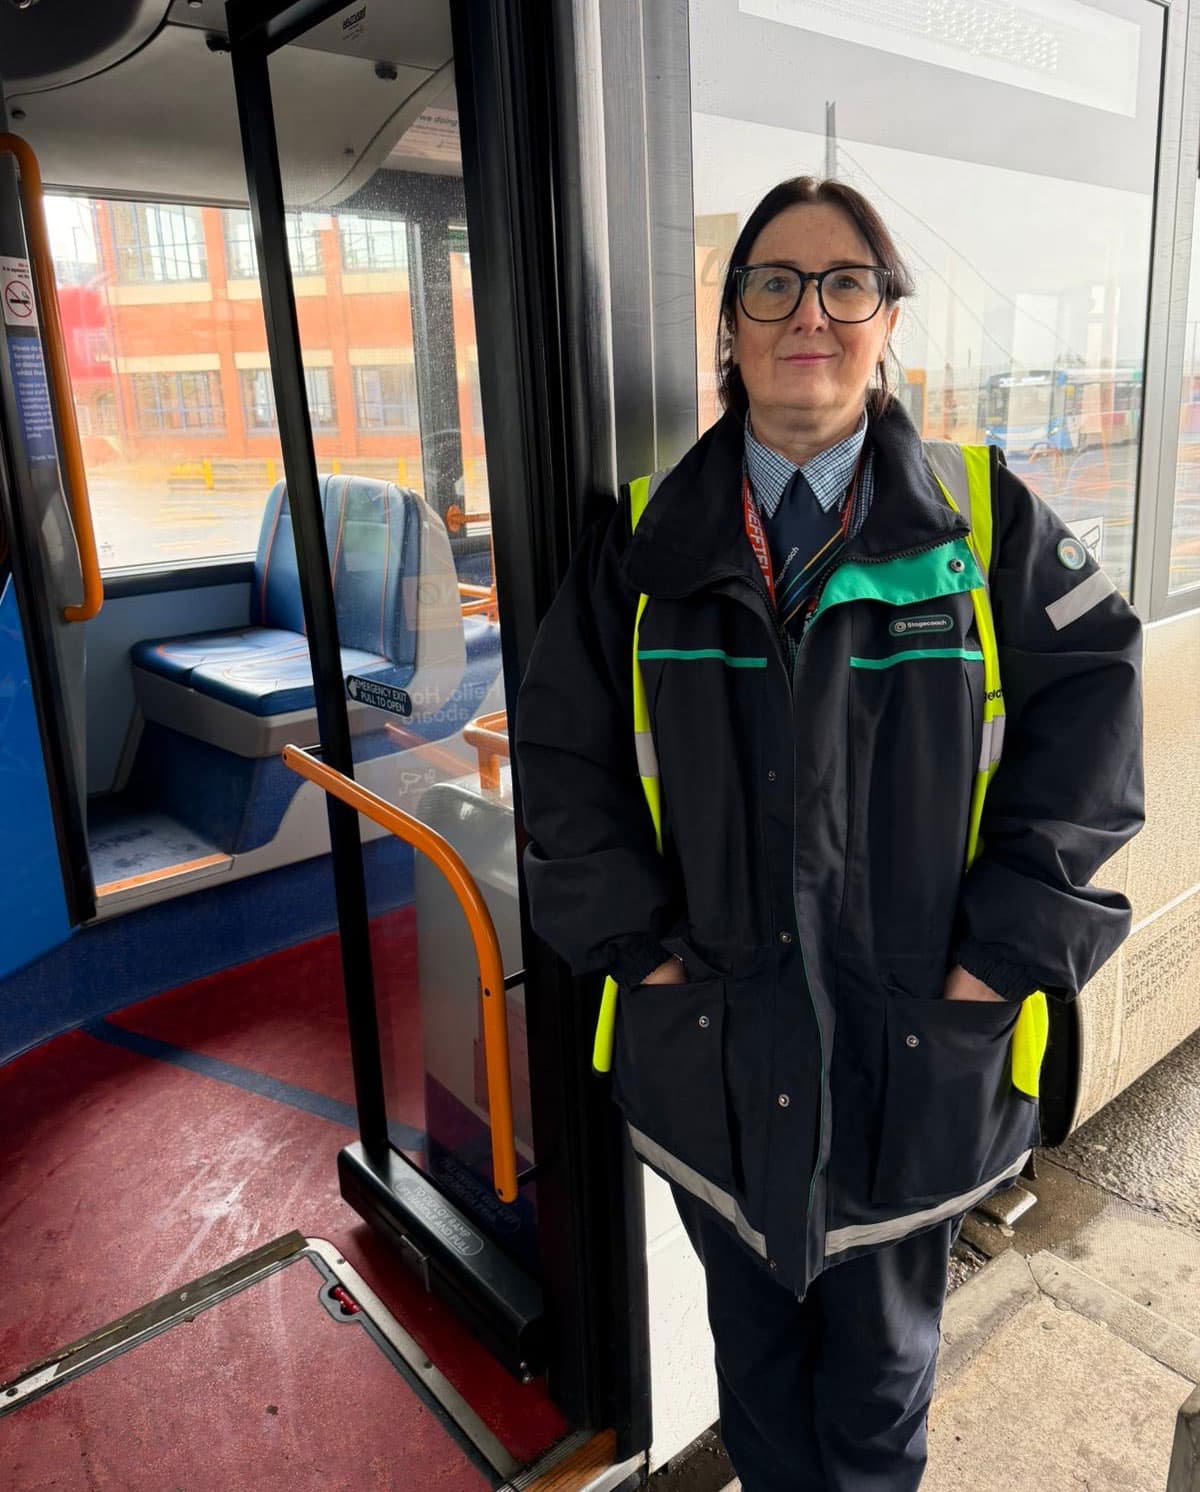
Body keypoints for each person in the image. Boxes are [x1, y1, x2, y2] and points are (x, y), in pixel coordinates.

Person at [514, 177, 1144, 1490]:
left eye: (845, 281)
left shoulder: (983, 521)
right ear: (734, 326)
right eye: (774, 283)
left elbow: (1093, 731)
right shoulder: (637, 543)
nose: (811, 311)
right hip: (713, 1063)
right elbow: (565, 768)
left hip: (911, 1052)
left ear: (887, 319)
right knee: (756, 1387)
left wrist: (1000, 962)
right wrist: (648, 960)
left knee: (875, 1403)